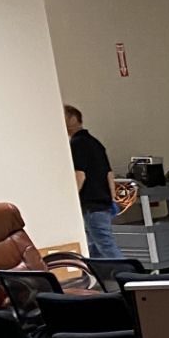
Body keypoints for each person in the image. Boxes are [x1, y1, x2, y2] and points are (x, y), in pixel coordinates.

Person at [64, 104, 120, 259]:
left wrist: (72, 200)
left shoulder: (77, 144)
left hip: (91, 204)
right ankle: (105, 279)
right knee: (94, 247)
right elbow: (109, 173)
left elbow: (80, 175)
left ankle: (128, 277)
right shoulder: (95, 143)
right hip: (103, 203)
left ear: (73, 119)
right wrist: (112, 198)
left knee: (105, 246)